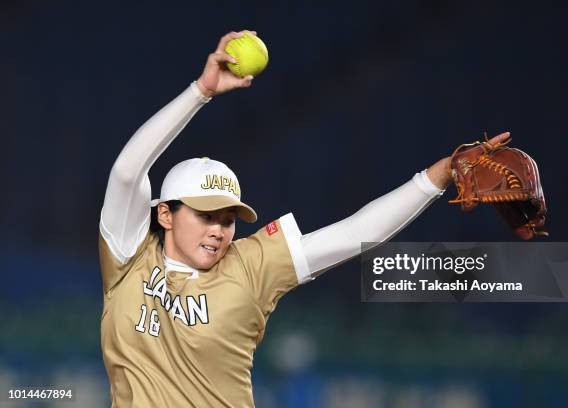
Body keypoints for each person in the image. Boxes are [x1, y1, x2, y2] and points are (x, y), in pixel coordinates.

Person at [98, 30, 511, 407]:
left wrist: (436, 177)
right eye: (205, 215)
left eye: (228, 218)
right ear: (166, 214)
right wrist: (200, 91)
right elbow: (127, 171)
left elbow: (358, 232)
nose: (219, 230)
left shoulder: (252, 266)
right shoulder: (129, 255)